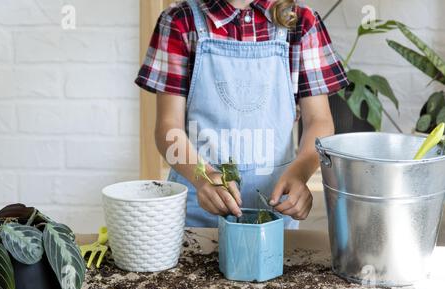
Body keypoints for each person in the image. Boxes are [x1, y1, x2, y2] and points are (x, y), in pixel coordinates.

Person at [135, 0, 348, 228]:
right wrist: (202, 177)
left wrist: (300, 173)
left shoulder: (303, 22)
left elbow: (320, 121)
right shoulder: (179, 21)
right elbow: (168, 127)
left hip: (275, 206)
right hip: (200, 202)